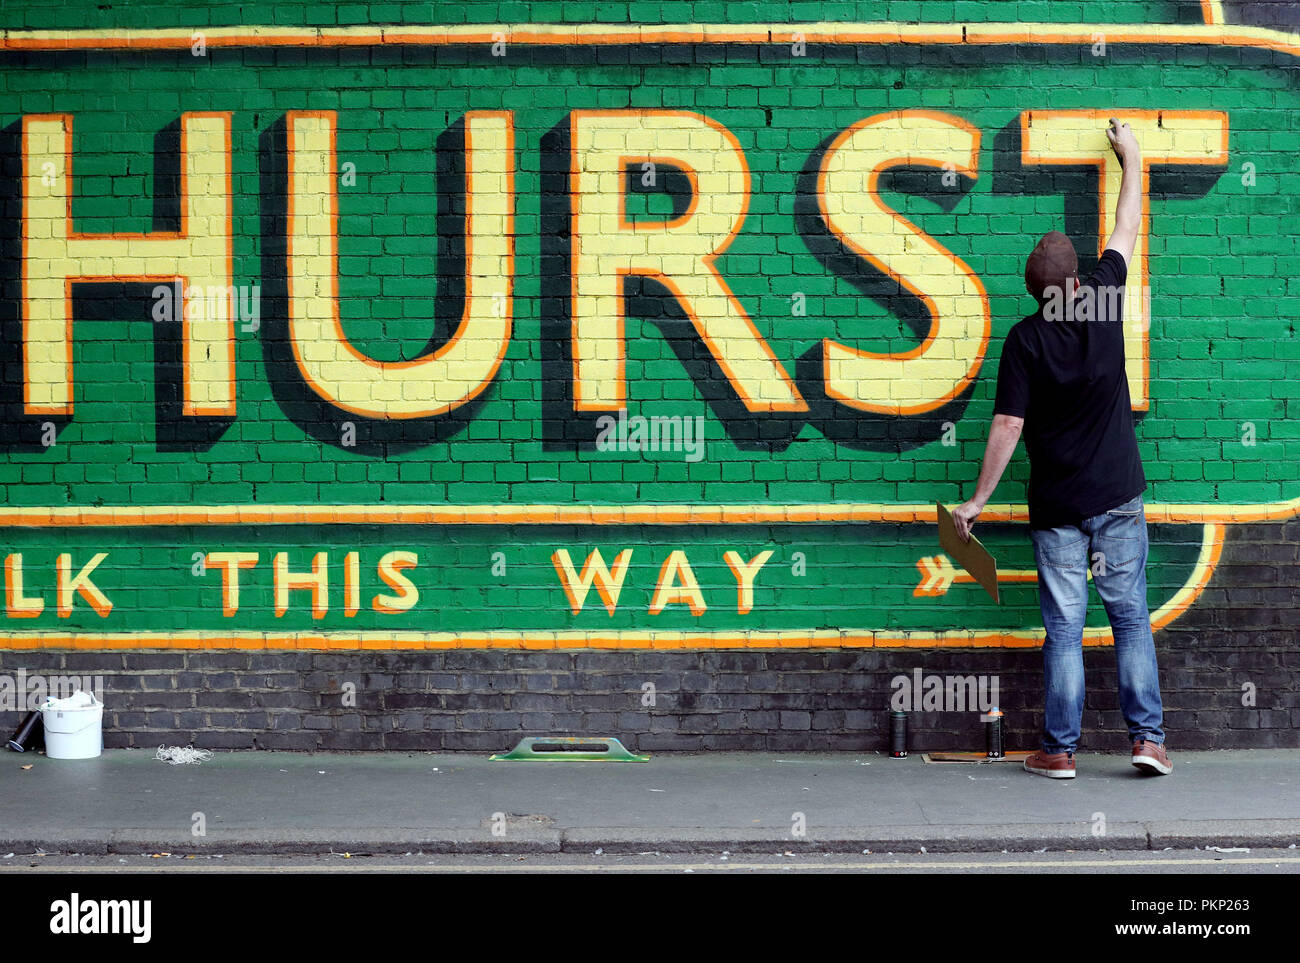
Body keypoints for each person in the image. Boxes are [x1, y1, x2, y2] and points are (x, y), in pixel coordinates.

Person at [951, 119, 1171, 780]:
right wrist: (1131, 155)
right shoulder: (1104, 298)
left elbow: (1008, 427)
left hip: (1056, 509)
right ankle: (1148, 741)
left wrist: (979, 500)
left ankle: (1061, 750)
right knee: (1130, 617)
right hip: (1118, 495)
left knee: (1065, 628)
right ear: (1075, 279)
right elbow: (1127, 228)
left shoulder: (1023, 340)